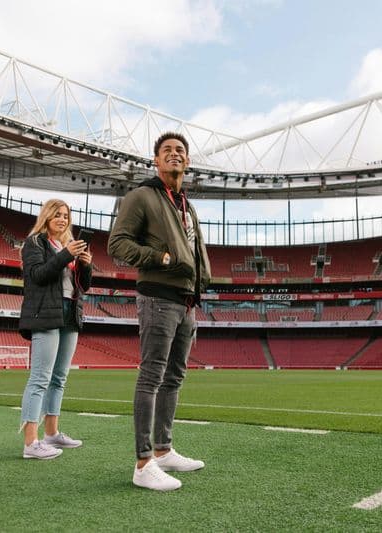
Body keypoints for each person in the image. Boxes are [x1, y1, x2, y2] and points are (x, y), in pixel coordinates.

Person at [108, 132, 212, 491]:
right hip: (158, 297)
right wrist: (159, 258)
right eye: (166, 150)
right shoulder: (142, 196)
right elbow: (117, 243)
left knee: (174, 377)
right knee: (152, 375)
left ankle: (164, 450)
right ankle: (143, 463)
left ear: (188, 161)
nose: (174, 154)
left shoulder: (186, 205)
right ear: (155, 160)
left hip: (186, 300)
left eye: (180, 150)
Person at [18, 198, 93, 459]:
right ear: (47, 217)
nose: (63, 219)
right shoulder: (35, 243)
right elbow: (37, 275)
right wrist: (66, 255)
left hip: (70, 312)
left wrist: (85, 264)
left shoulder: (66, 245)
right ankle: (30, 443)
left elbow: (83, 286)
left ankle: (51, 433)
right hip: (46, 313)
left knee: (59, 378)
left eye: (66, 215)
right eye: (57, 215)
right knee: (40, 378)